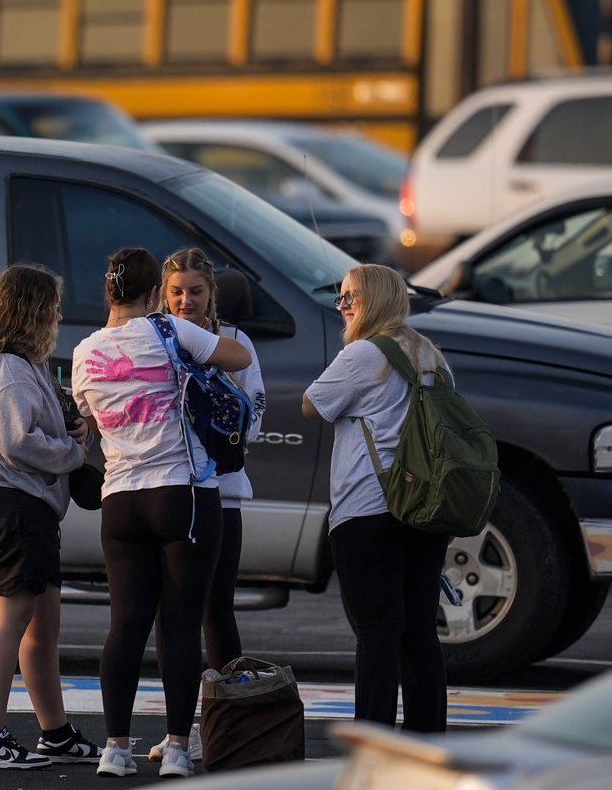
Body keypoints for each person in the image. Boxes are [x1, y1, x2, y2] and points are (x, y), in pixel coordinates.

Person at [72, 246, 251, 778]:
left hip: (120, 498)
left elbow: (84, 420)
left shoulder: (85, 351)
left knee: (125, 624)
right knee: (179, 625)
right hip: (184, 493)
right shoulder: (170, 331)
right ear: (155, 295)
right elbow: (238, 358)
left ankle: (115, 748)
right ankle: (176, 746)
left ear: (108, 293)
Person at [0, 264, 101, 769]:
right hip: (9, 504)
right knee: (10, 619)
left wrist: (73, 430)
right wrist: (71, 454)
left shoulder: (20, 364)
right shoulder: (5, 369)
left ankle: (54, 733)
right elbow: (16, 439)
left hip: (27, 506)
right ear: (31, 311)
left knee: (43, 624)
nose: (59, 314)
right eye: (52, 306)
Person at [301, 263, 450, 733]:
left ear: (378, 301)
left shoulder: (366, 353)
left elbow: (312, 404)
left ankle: (373, 737)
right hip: (426, 508)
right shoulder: (430, 354)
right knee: (419, 630)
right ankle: (427, 738)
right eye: (340, 298)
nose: (342, 307)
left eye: (351, 298)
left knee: (377, 632)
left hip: (368, 508)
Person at [148, 247, 267, 764]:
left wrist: (223, 443)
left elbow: (255, 406)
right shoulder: (154, 335)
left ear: (211, 292)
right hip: (169, 490)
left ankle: (223, 724)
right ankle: (181, 726)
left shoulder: (235, 342)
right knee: (172, 612)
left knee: (216, 609)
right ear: (162, 293)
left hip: (222, 491)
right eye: (176, 291)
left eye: (195, 291)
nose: (185, 300)